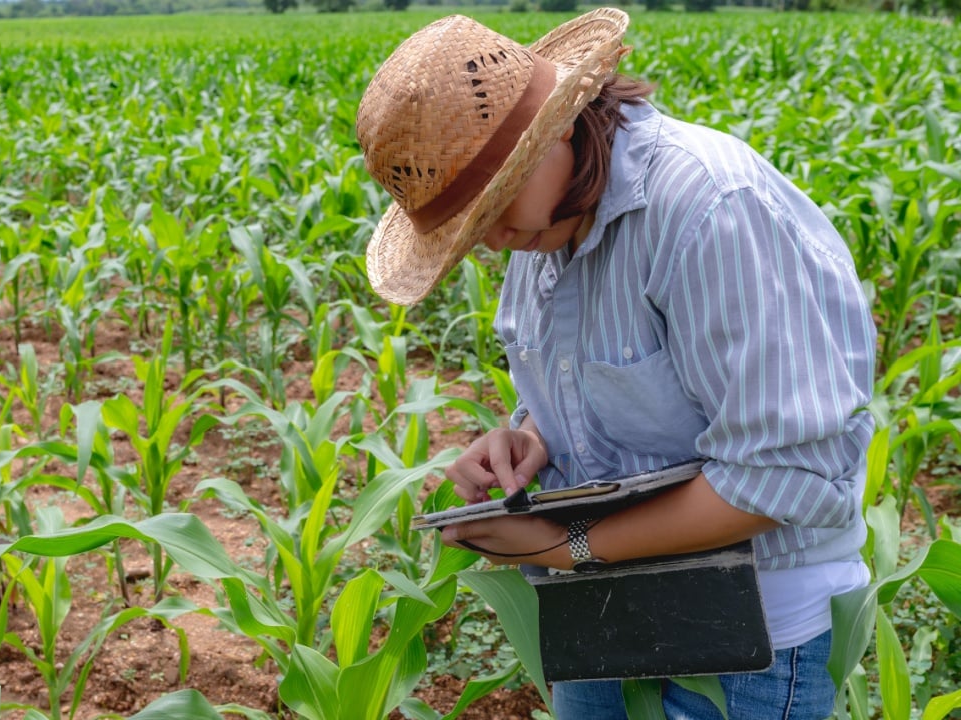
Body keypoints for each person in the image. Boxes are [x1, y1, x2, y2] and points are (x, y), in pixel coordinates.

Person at [355, 9, 875, 720]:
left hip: (748, 641)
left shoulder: (709, 209)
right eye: (470, 227)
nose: (493, 239)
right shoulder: (539, 233)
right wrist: (531, 440)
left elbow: (782, 477)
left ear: (561, 124)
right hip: (600, 616)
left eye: (496, 202)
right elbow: (600, 378)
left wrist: (569, 546)